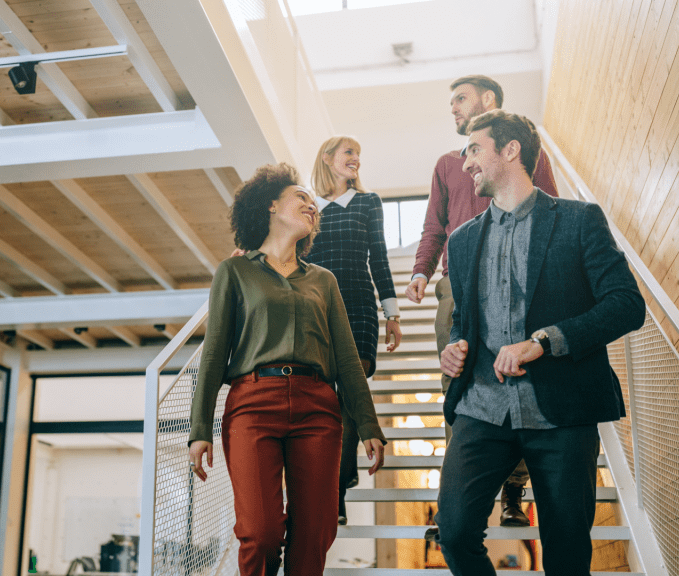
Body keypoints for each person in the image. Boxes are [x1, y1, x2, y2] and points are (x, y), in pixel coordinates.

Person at [433, 109, 644, 575]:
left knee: (567, 553)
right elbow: (464, 322)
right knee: (454, 533)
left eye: (474, 150)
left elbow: (627, 305)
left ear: (511, 151)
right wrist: (455, 347)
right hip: (481, 407)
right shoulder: (462, 241)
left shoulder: (579, 220)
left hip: (563, 410)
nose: (465, 163)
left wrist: (544, 342)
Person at [188, 163, 387, 576]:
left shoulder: (324, 281)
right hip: (252, 404)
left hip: (318, 408)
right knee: (260, 533)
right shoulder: (235, 272)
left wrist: (368, 425)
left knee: (314, 536)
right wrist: (198, 429)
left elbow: (348, 359)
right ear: (271, 205)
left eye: (315, 203)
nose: (312, 205)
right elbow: (213, 354)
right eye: (302, 198)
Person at [406, 74, 559, 526]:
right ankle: (454, 497)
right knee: (458, 387)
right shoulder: (446, 165)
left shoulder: (527, 154)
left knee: (519, 383)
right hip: (458, 287)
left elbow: (549, 208)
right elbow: (434, 224)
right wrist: (420, 269)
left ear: (487, 100)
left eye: (460, 99)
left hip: (521, 283)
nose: (452, 108)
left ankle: (513, 493)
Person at [306, 136, 401, 525]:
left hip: (360, 308)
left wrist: (392, 313)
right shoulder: (308, 208)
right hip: (316, 310)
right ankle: (327, 486)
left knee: (347, 402)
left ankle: (336, 492)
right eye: (349, 153)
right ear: (327, 158)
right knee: (325, 402)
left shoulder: (368, 202)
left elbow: (378, 257)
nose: (356, 160)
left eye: (358, 154)